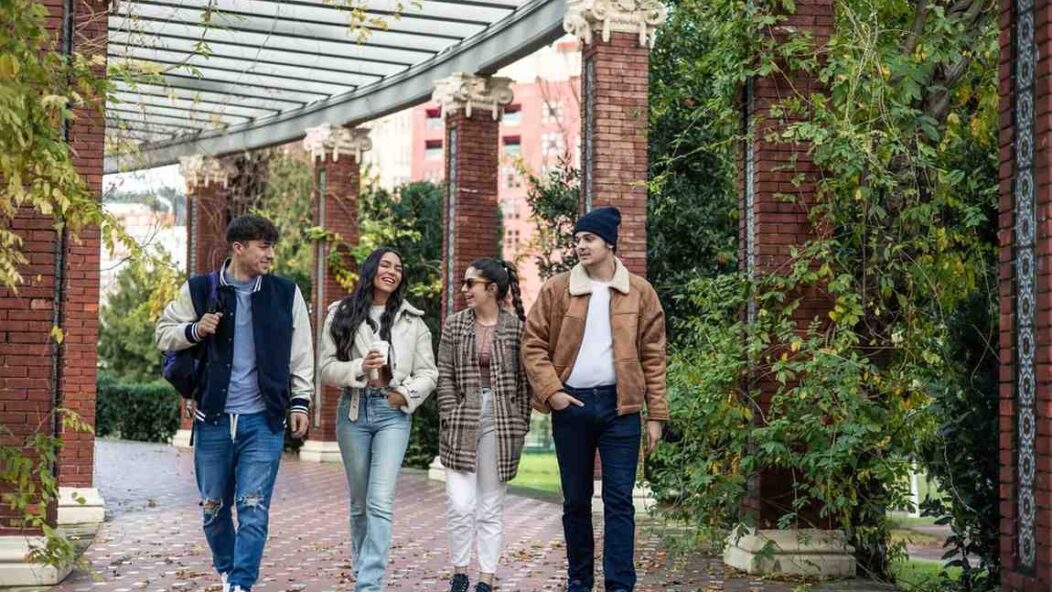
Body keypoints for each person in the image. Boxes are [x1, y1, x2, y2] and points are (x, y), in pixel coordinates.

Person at [155, 214, 314, 592]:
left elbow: (301, 353)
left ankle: (241, 584)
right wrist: (196, 329)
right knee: (213, 509)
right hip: (212, 419)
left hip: (263, 420)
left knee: (253, 507)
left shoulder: (285, 292)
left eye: (272, 246)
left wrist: (300, 402)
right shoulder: (199, 289)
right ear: (238, 248)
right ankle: (227, 570)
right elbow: (163, 334)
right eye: (263, 246)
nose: (270, 254)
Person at [522, 206, 668, 592]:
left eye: (588, 239)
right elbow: (532, 343)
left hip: (622, 409)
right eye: (577, 240)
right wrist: (553, 393)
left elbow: (654, 355)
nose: (580, 246)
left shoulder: (640, 291)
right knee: (575, 501)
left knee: (620, 501)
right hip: (573, 406)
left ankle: (620, 585)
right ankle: (579, 581)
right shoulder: (558, 288)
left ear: (609, 243)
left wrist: (656, 415)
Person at [318, 247, 438, 592]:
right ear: (371, 268)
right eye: (385, 264)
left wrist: (406, 395)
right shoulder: (340, 314)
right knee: (359, 504)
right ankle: (362, 571)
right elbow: (326, 368)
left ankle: (369, 585)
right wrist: (360, 367)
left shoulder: (412, 320)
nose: (392, 271)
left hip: (392, 413)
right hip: (354, 411)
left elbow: (429, 372)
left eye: (398, 267)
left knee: (379, 501)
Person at [437, 259, 531, 592]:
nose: (464, 290)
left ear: (491, 288)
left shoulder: (517, 328)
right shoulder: (454, 325)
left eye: (470, 284)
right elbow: (444, 374)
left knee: (490, 505)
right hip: (462, 418)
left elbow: (525, 383)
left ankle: (486, 577)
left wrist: (519, 422)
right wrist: (450, 412)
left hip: (501, 421)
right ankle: (460, 570)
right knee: (461, 504)